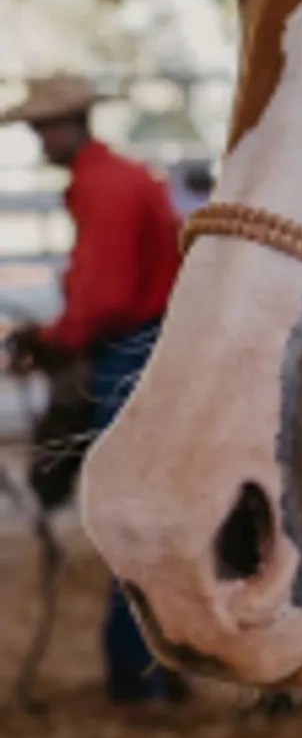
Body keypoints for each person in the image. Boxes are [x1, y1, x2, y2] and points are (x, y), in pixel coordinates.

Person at [1, 75, 183, 701]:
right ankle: (163, 664)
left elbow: (103, 300)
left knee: (129, 514)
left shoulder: (102, 187)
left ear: (67, 125)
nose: (37, 139)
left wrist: (52, 338)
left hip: (131, 351)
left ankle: (140, 674)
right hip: (148, 344)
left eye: (41, 128)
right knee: (154, 514)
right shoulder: (122, 178)